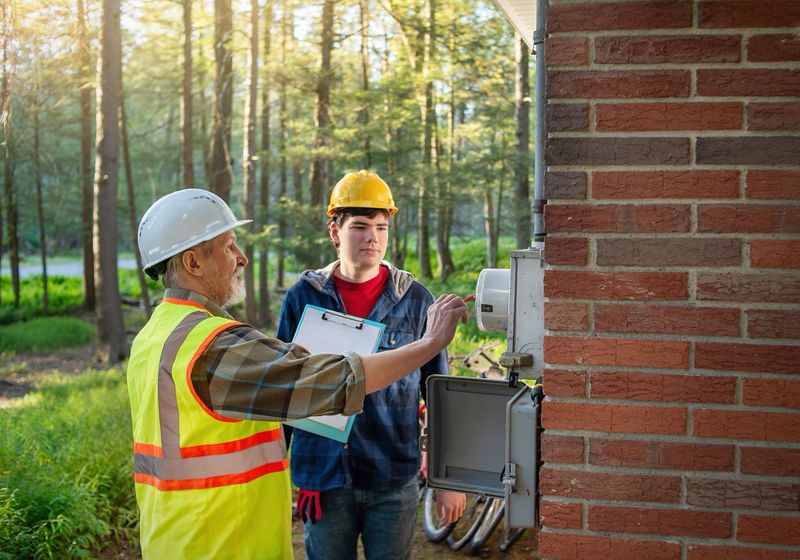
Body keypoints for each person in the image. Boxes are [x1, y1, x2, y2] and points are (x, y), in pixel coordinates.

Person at [126, 187, 467, 560]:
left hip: (177, 537)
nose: (241, 259)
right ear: (193, 263)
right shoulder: (216, 346)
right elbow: (335, 380)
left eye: (381, 227)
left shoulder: (155, 335)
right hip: (224, 541)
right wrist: (431, 341)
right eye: (229, 246)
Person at [276, 171, 466, 560]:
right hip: (324, 479)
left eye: (381, 227)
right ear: (335, 230)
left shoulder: (415, 300)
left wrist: (448, 478)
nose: (372, 237)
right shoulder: (302, 299)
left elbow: (440, 395)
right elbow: (282, 392)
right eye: (360, 227)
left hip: (392, 477)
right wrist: (279, 478)